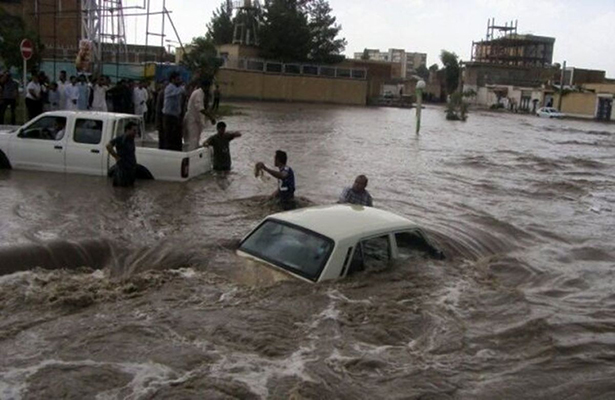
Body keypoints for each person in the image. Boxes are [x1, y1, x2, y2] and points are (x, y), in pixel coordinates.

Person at [184, 80, 215, 150]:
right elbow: (200, 108)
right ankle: (190, 156)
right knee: (193, 140)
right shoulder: (198, 93)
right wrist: (211, 117)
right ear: (206, 87)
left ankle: (191, 153)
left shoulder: (201, 93)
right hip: (192, 120)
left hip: (196, 120)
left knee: (195, 139)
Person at [106, 121, 139, 187]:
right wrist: (116, 157)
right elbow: (108, 145)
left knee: (128, 192)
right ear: (127, 130)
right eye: (134, 130)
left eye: (136, 130)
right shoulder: (121, 138)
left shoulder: (131, 139)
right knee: (121, 192)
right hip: (122, 170)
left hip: (130, 169)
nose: (136, 133)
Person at [162, 72, 185, 151]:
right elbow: (179, 91)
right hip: (169, 117)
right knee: (169, 137)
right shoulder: (170, 88)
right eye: (178, 79)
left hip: (175, 116)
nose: (180, 81)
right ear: (173, 80)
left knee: (177, 137)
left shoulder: (176, 88)